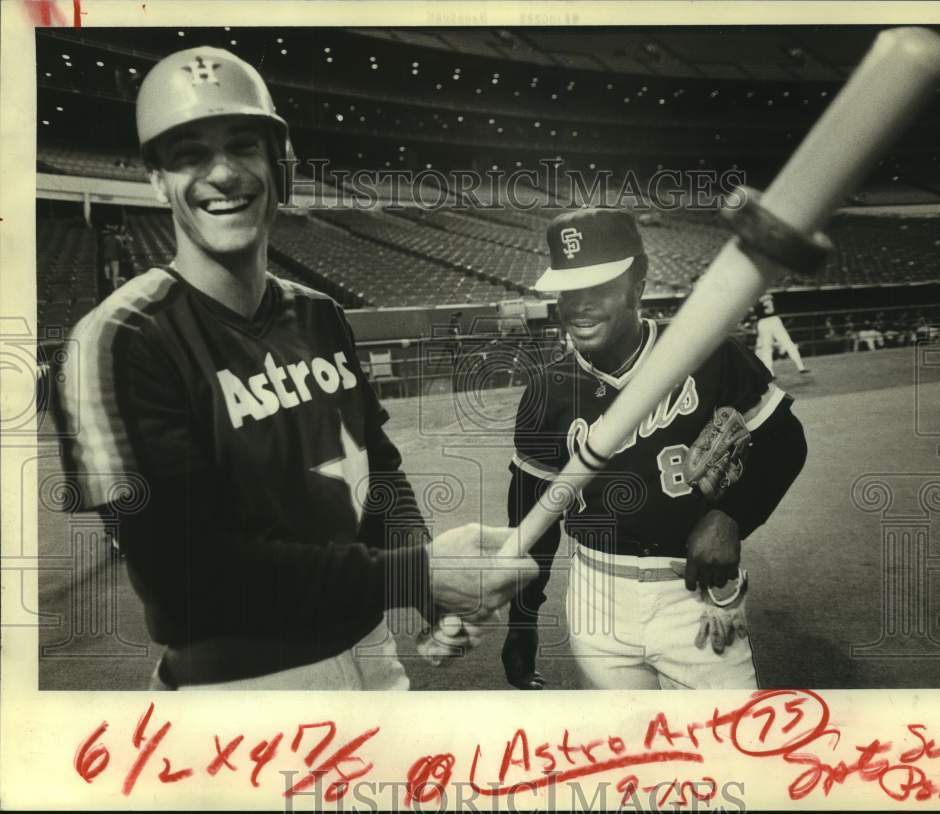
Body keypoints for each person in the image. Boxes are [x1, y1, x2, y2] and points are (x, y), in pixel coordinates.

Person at [52, 46, 531, 691]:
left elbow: (379, 468)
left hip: (372, 654)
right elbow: (182, 571)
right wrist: (415, 573)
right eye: (189, 154)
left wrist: (428, 588)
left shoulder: (321, 315)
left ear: (282, 165)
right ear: (157, 180)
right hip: (242, 688)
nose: (222, 174)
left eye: (243, 146)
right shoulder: (118, 339)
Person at [502, 208, 807, 690]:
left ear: (637, 282)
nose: (578, 305)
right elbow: (532, 517)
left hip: (694, 592)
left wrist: (732, 517)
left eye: (598, 287)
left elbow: (785, 440)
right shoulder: (547, 391)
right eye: (567, 290)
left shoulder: (705, 353)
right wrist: (522, 622)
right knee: (628, 754)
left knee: (728, 751)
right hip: (595, 597)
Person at [752, 293, 810, 374]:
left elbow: (754, 311)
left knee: (766, 349)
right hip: (775, 320)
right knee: (788, 343)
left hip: (763, 322)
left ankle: (770, 372)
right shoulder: (769, 295)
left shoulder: (754, 297)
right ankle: (801, 367)